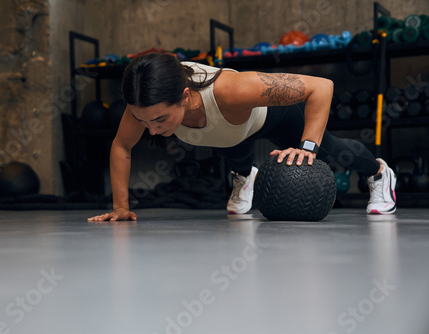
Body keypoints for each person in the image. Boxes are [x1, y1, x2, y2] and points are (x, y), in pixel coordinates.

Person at [87, 53, 396, 222]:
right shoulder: (143, 104)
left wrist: (308, 147)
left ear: (184, 97)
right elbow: (122, 146)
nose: (151, 130)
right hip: (229, 135)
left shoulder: (233, 90)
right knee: (230, 146)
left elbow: (322, 87)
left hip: (271, 119)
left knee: (333, 149)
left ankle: (380, 173)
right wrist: (121, 207)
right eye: (144, 121)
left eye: (159, 120)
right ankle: (245, 176)